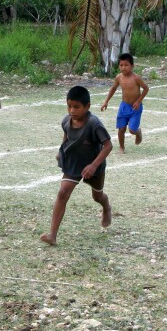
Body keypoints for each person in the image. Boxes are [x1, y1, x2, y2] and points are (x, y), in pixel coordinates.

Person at [41, 86, 113, 246]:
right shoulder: (66, 121)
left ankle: (106, 207)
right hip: (73, 163)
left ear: (87, 107)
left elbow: (108, 146)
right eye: (69, 106)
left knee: (97, 197)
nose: (72, 110)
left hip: (93, 165)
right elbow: (67, 136)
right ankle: (52, 235)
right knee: (62, 193)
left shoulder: (94, 124)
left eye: (76, 107)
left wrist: (94, 165)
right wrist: (62, 151)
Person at [100, 53, 149, 153]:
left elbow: (146, 89)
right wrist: (106, 101)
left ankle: (138, 132)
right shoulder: (119, 77)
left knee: (132, 130)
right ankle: (121, 147)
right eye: (121, 65)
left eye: (126, 65)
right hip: (124, 106)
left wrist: (139, 101)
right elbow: (113, 88)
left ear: (132, 66)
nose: (123, 68)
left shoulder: (136, 78)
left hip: (135, 107)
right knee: (121, 128)